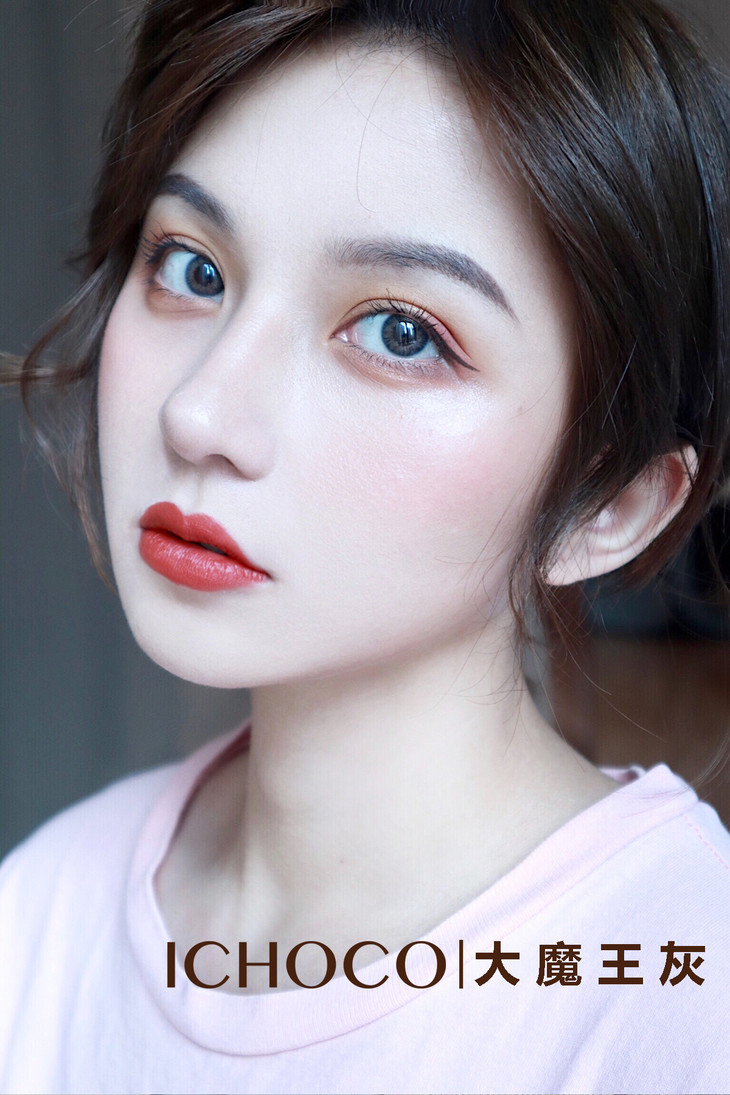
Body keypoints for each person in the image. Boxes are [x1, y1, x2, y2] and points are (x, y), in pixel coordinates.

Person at [1, 1, 729, 1092]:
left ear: (608, 503)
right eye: (192, 268)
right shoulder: (43, 915)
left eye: (401, 332)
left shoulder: (682, 996)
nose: (200, 415)